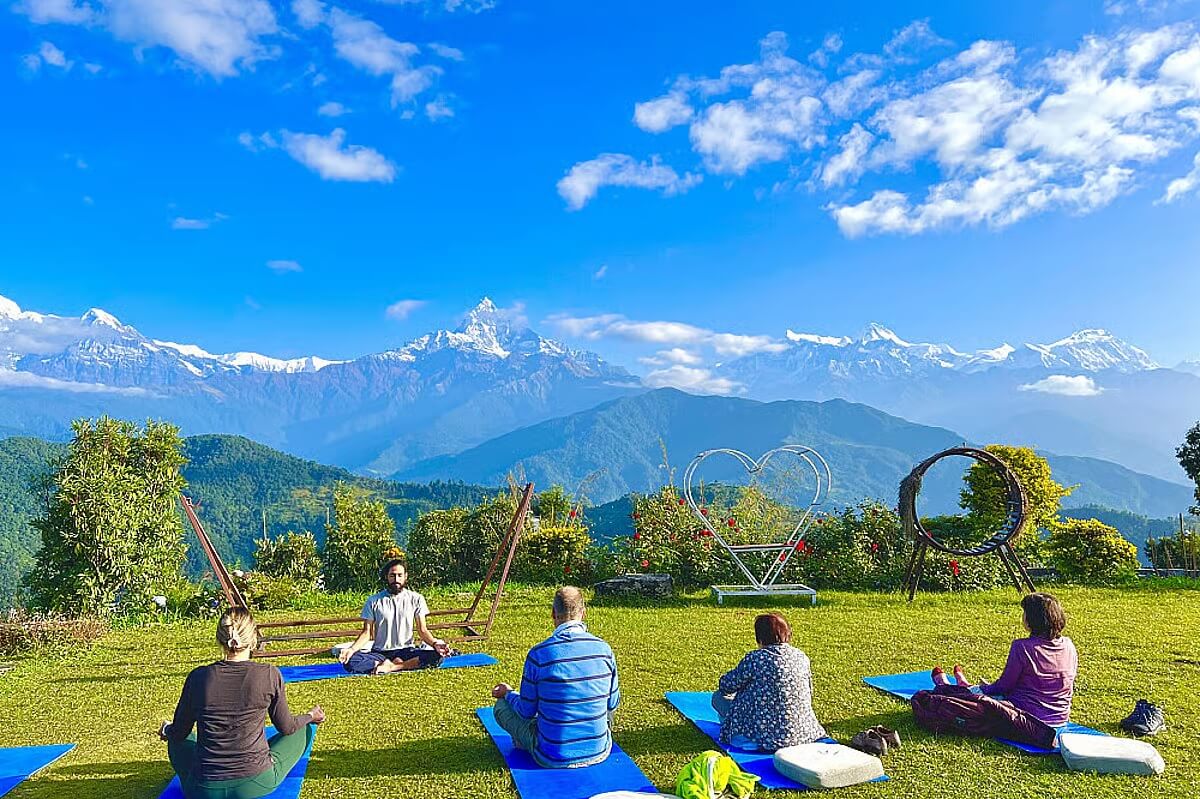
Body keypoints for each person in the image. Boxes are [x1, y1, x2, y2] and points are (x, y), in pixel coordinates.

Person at [159, 607, 324, 799]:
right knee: (304, 728)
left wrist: (166, 730)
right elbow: (287, 727)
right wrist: (311, 716)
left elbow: (179, 731)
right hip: (255, 783)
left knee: (177, 737)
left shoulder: (198, 677)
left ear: (219, 639)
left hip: (203, 788)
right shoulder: (269, 674)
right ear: (253, 639)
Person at [490, 586, 620, 768]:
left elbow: (526, 711)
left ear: (553, 613)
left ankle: (528, 741)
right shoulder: (605, 650)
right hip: (599, 751)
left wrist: (508, 693)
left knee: (501, 707)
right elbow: (612, 704)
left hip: (551, 755)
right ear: (584, 613)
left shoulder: (539, 654)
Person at [933, 592, 1078, 728]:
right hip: (1060, 718)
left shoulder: (1021, 647)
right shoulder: (1069, 644)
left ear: (1032, 619)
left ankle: (945, 685)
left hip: (1024, 716)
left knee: (970, 698)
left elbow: (1004, 686)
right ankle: (963, 684)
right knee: (980, 693)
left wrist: (985, 689)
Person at [711, 612, 827, 752]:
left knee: (718, 698)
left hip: (763, 734)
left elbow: (727, 686)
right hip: (803, 733)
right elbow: (809, 690)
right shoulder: (801, 656)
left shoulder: (756, 659)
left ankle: (744, 736)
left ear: (760, 638)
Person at [339, 559, 451, 674]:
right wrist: (351, 649)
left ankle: (393, 667)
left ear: (405, 577)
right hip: (380, 653)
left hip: (406, 651)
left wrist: (435, 643)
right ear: (387, 577)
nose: (396, 579)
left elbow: (422, 630)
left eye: (399, 575)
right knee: (351, 661)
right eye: (392, 575)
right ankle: (389, 664)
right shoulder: (373, 601)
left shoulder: (416, 599)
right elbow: (367, 633)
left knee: (437, 656)